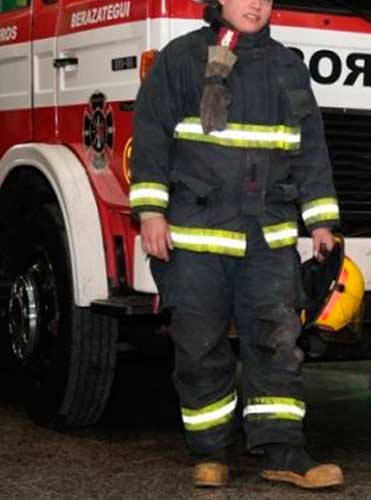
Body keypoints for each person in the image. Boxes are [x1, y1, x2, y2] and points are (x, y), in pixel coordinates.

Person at [130, 0, 343, 489]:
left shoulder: (288, 65)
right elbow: (152, 136)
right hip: (198, 234)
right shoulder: (182, 58)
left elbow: (310, 148)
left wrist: (322, 222)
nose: (256, 4)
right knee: (201, 347)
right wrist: (151, 212)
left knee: (278, 342)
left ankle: (284, 451)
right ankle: (209, 453)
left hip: (266, 235)